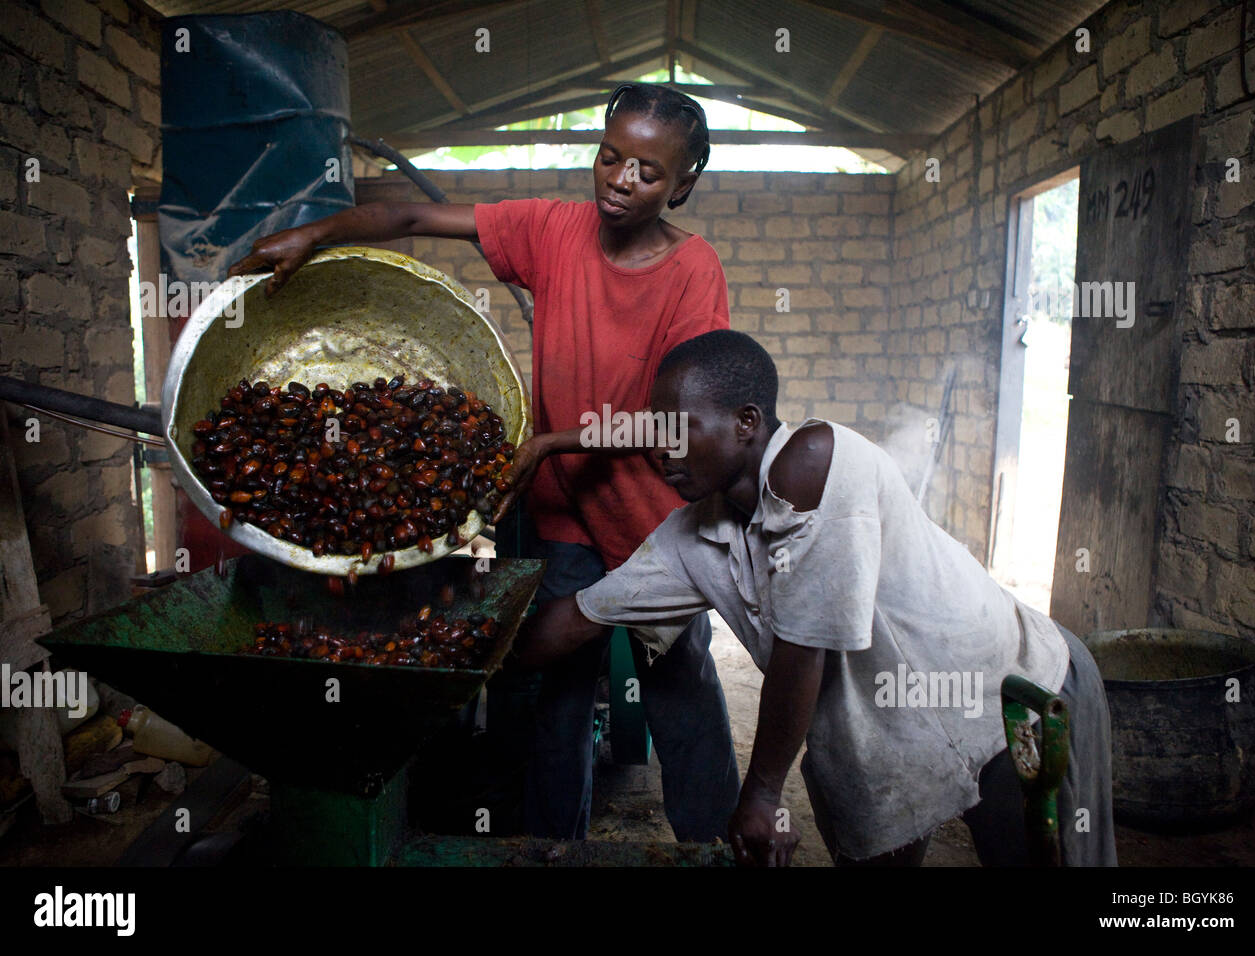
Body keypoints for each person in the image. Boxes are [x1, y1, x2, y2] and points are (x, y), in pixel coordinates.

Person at [228, 83, 741, 842]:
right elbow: (407, 214)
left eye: (648, 171)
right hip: (566, 516)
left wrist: (549, 444)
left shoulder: (693, 271)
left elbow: (687, 421)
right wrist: (318, 234)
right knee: (552, 696)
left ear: (683, 184)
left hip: (655, 524)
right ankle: (548, 846)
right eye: (610, 157)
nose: (621, 180)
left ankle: (720, 845)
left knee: (680, 686)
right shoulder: (553, 230)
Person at [514, 329, 1119, 867]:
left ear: (747, 422)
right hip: (890, 729)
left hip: (1010, 691)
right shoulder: (692, 534)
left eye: (679, 429)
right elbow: (581, 616)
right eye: (656, 430)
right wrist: (473, 653)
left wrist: (762, 795)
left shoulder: (815, 459)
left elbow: (803, 650)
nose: (659, 449)